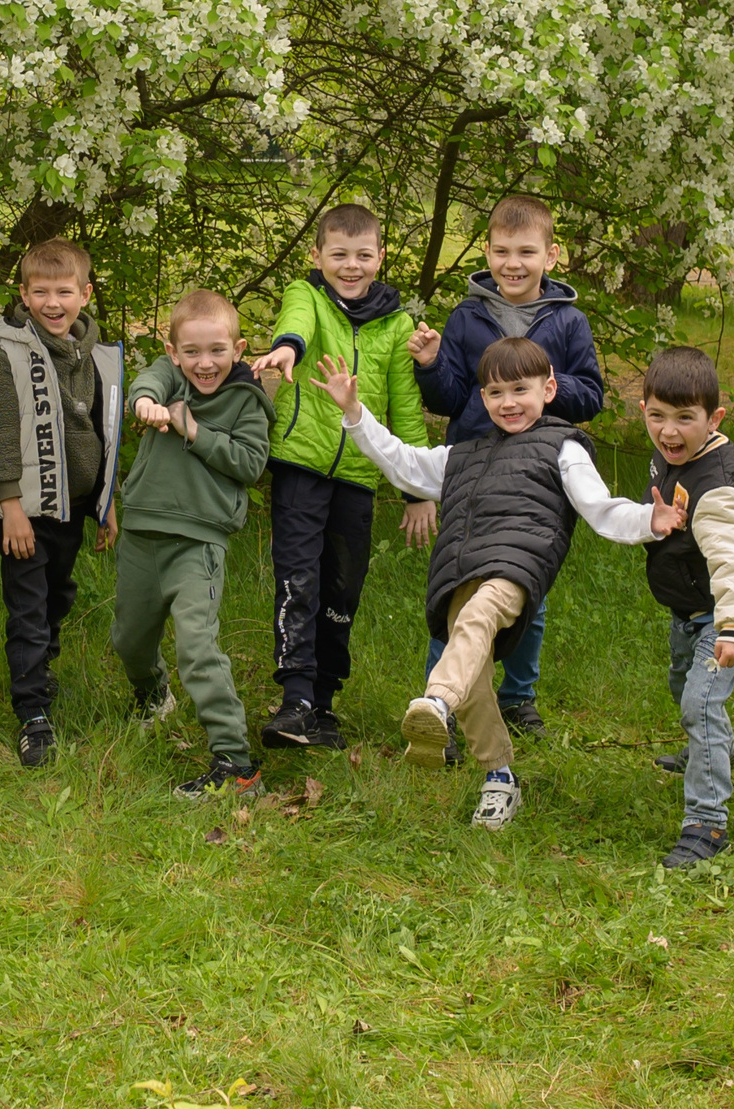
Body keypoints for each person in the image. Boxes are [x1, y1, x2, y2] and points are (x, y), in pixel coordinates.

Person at [317, 338, 666, 830]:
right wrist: (356, 413)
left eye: (520, 390)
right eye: (496, 393)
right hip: (461, 574)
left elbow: (601, 509)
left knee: (478, 622)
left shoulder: (561, 446)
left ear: (548, 389)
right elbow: (404, 462)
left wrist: (653, 518)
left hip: (516, 569)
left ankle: (435, 700)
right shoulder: (463, 454)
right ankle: (499, 777)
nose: (508, 403)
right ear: (482, 399)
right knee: (474, 680)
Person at [408, 193, 604, 738]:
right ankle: (438, 709)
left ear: (552, 255)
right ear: (487, 253)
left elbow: (591, 396)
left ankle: (518, 699)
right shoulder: (467, 317)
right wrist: (428, 365)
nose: (512, 264)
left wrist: (544, 389)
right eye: (500, 251)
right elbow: (449, 397)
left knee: (525, 588)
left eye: (526, 251)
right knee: (454, 584)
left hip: (536, 477)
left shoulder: (567, 322)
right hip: (473, 470)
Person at [248, 204, 435, 750]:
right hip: (301, 468)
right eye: (338, 256)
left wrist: (417, 489)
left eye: (362, 256)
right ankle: (295, 700)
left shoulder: (398, 326)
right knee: (298, 578)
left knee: (342, 588)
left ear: (380, 257)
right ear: (317, 257)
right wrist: (287, 348)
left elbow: (405, 409)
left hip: (357, 476)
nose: (350, 267)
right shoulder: (305, 297)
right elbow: (295, 327)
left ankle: (325, 703)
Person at [111, 290, 275, 797]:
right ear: (175, 349)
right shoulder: (169, 375)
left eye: (218, 351)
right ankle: (152, 696)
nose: (205, 364)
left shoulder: (247, 402)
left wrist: (192, 428)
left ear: (239, 348)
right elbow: (148, 381)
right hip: (141, 533)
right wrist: (145, 401)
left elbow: (251, 464)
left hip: (198, 545)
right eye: (193, 352)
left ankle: (235, 763)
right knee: (129, 640)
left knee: (197, 647)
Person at [0, 239, 124, 768]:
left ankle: (41, 670)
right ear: (23, 294)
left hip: (73, 507)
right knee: (28, 609)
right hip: (27, 512)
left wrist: (105, 503)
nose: (52, 303)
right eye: (40, 292)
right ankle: (33, 712)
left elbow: (101, 433)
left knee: (58, 597)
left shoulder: (95, 354)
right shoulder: (6, 352)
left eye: (64, 291)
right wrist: (9, 504)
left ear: (85, 294)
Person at [634, 347, 734, 869]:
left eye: (685, 419)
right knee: (682, 686)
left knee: (701, 704)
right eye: (657, 416)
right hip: (689, 607)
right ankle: (714, 750)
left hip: (722, 612)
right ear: (643, 408)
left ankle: (706, 822)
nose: (670, 431)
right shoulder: (672, 455)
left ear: (714, 418)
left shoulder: (718, 487)